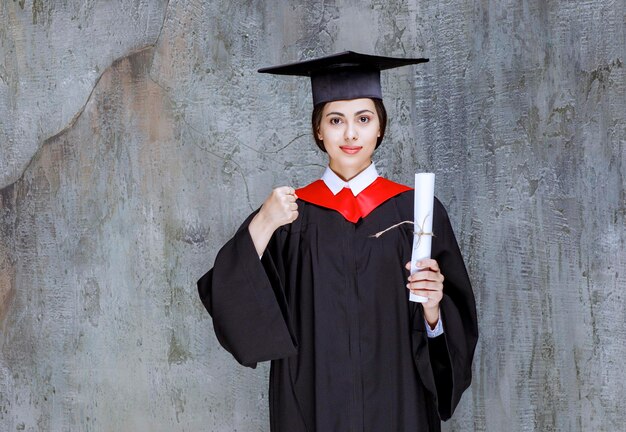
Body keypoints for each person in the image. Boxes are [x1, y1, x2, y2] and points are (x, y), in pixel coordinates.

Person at [198, 51, 478, 432]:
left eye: (363, 119)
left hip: (398, 406)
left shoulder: (418, 214)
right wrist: (262, 224)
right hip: (312, 407)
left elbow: (451, 339)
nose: (350, 134)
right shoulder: (290, 217)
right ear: (318, 130)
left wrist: (433, 310)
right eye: (335, 120)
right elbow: (231, 301)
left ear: (380, 127)